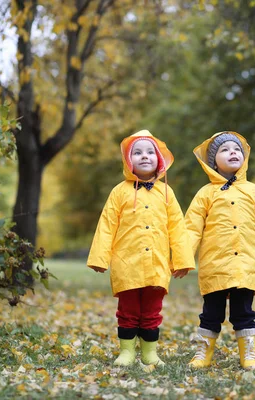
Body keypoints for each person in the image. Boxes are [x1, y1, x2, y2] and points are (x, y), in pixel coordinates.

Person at [185, 131, 255, 370]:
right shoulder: (205, 194)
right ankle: (204, 352)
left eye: (236, 149)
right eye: (225, 150)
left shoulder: (254, 192)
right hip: (214, 266)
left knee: (244, 312)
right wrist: (183, 260)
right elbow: (192, 229)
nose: (233, 152)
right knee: (211, 313)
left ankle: (249, 354)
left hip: (246, 265)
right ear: (214, 162)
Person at [87, 129, 194, 369]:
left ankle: (150, 353)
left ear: (159, 159)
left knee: (152, 311)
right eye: (137, 153)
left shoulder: (167, 193)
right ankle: (126, 351)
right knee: (128, 310)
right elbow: (107, 224)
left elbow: (177, 227)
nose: (144, 156)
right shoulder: (119, 192)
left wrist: (182, 260)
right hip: (127, 264)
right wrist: (99, 258)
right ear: (128, 161)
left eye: (150, 152)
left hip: (157, 264)